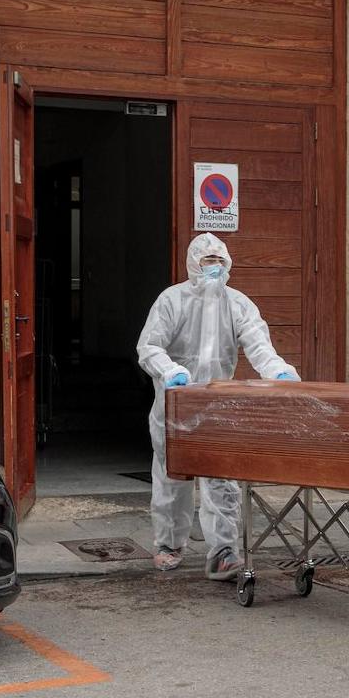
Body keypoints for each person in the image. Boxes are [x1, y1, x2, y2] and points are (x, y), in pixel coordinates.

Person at [137, 233, 300, 580]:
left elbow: (259, 345)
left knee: (221, 479)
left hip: (215, 406)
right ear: (193, 263)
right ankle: (169, 544)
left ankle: (223, 552)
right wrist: (171, 372)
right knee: (171, 477)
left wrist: (277, 371)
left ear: (228, 264)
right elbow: (150, 346)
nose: (213, 268)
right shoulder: (172, 300)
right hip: (175, 403)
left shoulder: (238, 304)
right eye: (206, 261)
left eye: (219, 261)